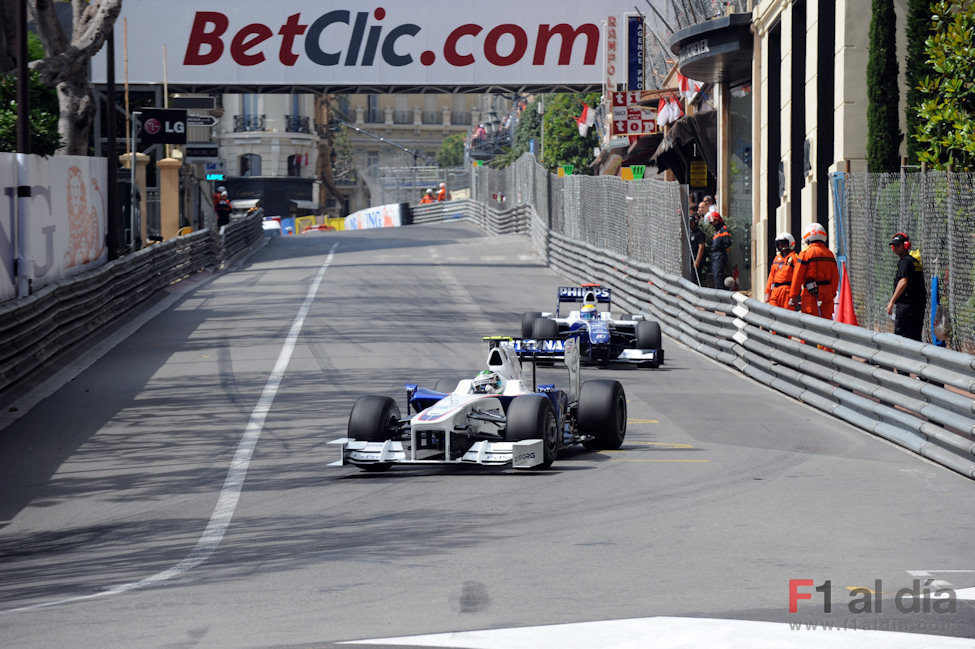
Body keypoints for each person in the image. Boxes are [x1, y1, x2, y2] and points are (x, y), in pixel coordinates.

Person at [789, 222, 838, 318]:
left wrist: (793, 296)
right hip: (827, 295)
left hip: (811, 296)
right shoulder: (829, 254)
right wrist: (831, 293)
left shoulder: (805, 253)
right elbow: (835, 277)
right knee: (826, 324)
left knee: (811, 326)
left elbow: (797, 276)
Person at [886, 232, 925, 341]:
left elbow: (903, 282)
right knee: (915, 336)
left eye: (898, 245)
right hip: (917, 306)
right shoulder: (915, 262)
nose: (895, 248)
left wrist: (891, 301)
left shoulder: (904, 262)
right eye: (894, 245)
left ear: (906, 245)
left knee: (901, 337)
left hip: (906, 306)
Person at [764, 232, 798, 308]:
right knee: (773, 315)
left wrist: (794, 295)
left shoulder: (794, 258)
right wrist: (767, 292)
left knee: (786, 315)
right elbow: (771, 277)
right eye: (779, 244)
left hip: (787, 292)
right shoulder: (777, 258)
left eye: (783, 243)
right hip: (775, 292)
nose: (781, 246)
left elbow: (797, 277)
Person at [709, 212, 732, 290]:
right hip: (715, 255)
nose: (712, 223)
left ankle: (720, 293)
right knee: (716, 275)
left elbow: (728, 242)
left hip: (719, 255)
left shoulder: (723, 229)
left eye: (713, 221)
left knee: (718, 275)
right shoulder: (717, 231)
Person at [688, 214, 706, 285]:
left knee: (695, 278)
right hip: (689, 259)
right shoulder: (689, 233)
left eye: (691, 222)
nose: (690, 224)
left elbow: (701, 246)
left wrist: (697, 261)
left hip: (695, 258)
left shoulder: (699, 233)